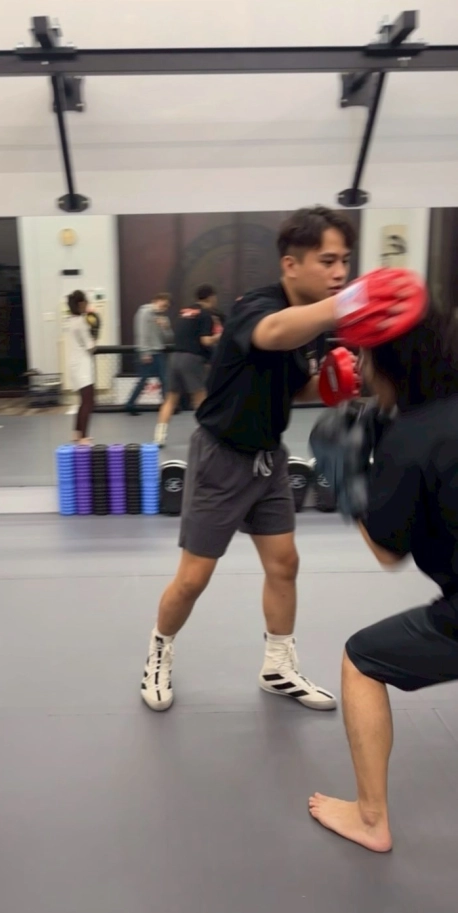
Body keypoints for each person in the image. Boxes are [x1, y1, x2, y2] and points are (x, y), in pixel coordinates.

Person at [141, 205, 358, 713]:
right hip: (221, 457)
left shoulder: (314, 321)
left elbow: (294, 387)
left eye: (345, 261)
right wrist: (351, 303)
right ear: (290, 265)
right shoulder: (257, 306)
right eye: (328, 261)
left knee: (284, 564)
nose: (340, 272)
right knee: (193, 578)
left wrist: (333, 386)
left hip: (269, 457)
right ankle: (158, 652)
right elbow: (273, 334)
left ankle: (277, 666)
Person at [308, 289, 458, 853]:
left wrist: (349, 482)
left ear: (385, 361)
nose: (361, 367)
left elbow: (388, 552)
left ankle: (370, 819)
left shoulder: (409, 439)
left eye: (366, 355)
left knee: (362, 660)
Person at [153, 284, 222, 448]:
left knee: (171, 399)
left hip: (175, 357)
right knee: (199, 398)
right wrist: (220, 336)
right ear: (211, 297)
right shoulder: (205, 314)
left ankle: (159, 437)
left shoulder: (184, 312)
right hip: (191, 358)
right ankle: (208, 435)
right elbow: (205, 341)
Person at [126, 293, 172, 415]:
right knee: (143, 380)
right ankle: (130, 404)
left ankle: (166, 405)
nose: (165, 308)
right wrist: (144, 352)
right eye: (164, 304)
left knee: (164, 379)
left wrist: (165, 327)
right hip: (147, 352)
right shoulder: (144, 312)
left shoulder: (163, 318)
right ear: (157, 300)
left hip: (158, 351)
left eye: (167, 306)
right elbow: (141, 333)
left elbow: (169, 338)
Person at [66, 290, 97, 444]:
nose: (87, 304)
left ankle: (77, 433)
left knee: (83, 401)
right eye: (86, 302)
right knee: (88, 401)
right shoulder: (81, 322)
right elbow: (91, 347)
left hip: (74, 365)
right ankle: (83, 437)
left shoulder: (70, 320)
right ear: (81, 304)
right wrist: (95, 334)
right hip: (83, 366)